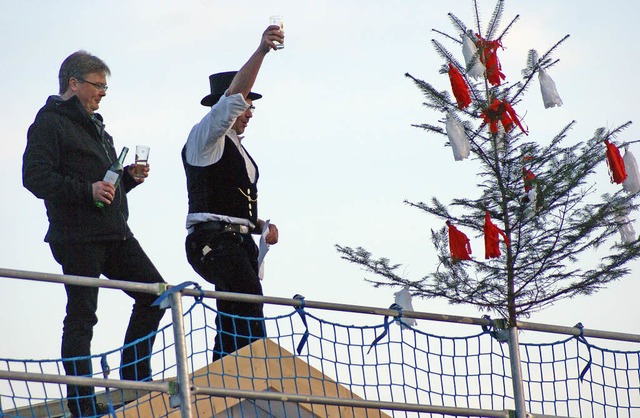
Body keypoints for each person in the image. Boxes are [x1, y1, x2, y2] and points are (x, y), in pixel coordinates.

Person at [22, 51, 166, 418]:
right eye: (98, 85)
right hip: (77, 237)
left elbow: (105, 190)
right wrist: (88, 190)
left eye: (105, 87)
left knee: (157, 294)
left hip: (114, 233)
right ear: (74, 83)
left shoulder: (98, 128)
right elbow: (34, 178)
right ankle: (82, 402)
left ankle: (134, 378)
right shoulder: (48, 123)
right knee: (83, 316)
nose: (103, 93)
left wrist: (126, 180)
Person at [183, 25, 282, 361]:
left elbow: (231, 202)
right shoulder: (205, 138)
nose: (250, 112)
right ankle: (254, 372)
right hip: (212, 240)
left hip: (235, 242)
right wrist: (262, 51)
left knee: (234, 309)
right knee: (248, 300)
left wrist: (259, 225)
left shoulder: (238, 150)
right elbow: (232, 101)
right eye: (247, 105)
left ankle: (224, 376)